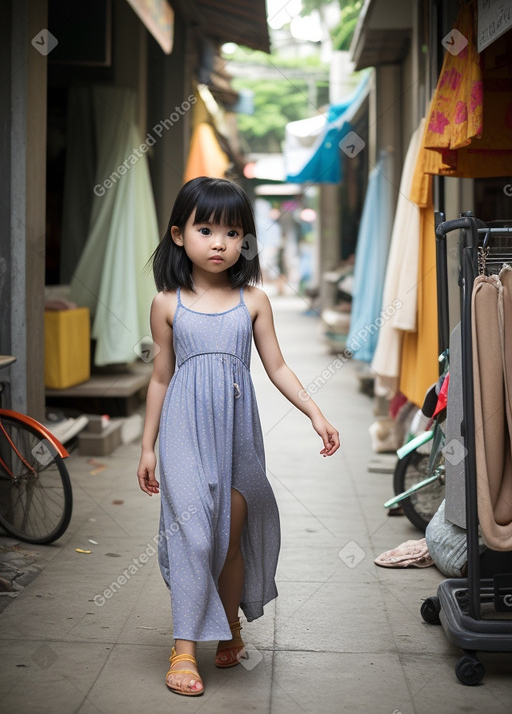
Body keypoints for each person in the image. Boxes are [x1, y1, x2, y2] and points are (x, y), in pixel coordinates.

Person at [136, 176, 340, 697]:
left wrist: (315, 412)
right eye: (206, 229)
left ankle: (229, 622)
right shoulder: (166, 304)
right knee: (193, 535)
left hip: (237, 435)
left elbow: (277, 367)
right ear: (179, 235)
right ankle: (184, 648)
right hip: (183, 430)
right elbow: (160, 377)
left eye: (232, 232)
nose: (220, 242)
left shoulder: (253, 300)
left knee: (228, 539)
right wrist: (146, 447)